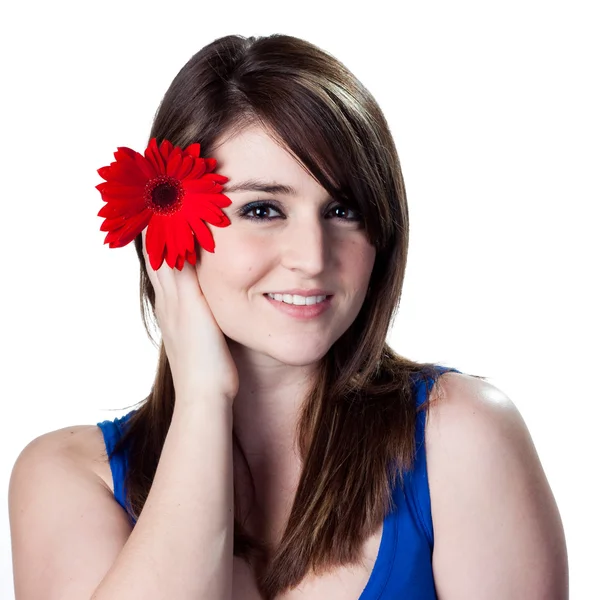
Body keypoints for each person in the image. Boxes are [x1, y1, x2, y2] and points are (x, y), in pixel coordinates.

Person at [8, 33, 568, 600]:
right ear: (166, 224)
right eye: (262, 209)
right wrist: (203, 396)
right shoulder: (69, 478)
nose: (313, 257)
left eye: (343, 210)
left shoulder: (462, 436)